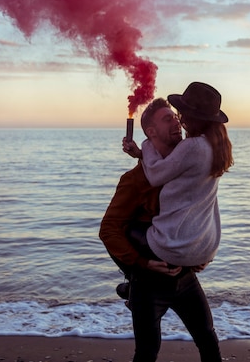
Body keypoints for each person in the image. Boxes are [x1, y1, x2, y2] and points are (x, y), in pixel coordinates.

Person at [99, 97, 222, 362]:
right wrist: (140, 264)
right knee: (147, 352)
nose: (177, 121)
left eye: (176, 117)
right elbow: (108, 230)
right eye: (168, 118)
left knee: (208, 338)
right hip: (149, 280)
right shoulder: (133, 181)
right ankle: (132, 285)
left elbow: (202, 212)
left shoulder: (188, 169)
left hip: (185, 276)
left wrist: (202, 254)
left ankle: (129, 288)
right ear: (151, 132)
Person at [134, 81, 234, 268]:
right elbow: (176, 166)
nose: (179, 119)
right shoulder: (216, 146)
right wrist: (141, 156)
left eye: (180, 113)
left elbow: (155, 176)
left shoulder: (192, 147)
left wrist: (146, 145)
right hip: (204, 246)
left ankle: (136, 283)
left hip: (178, 248)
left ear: (192, 117)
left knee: (127, 229)